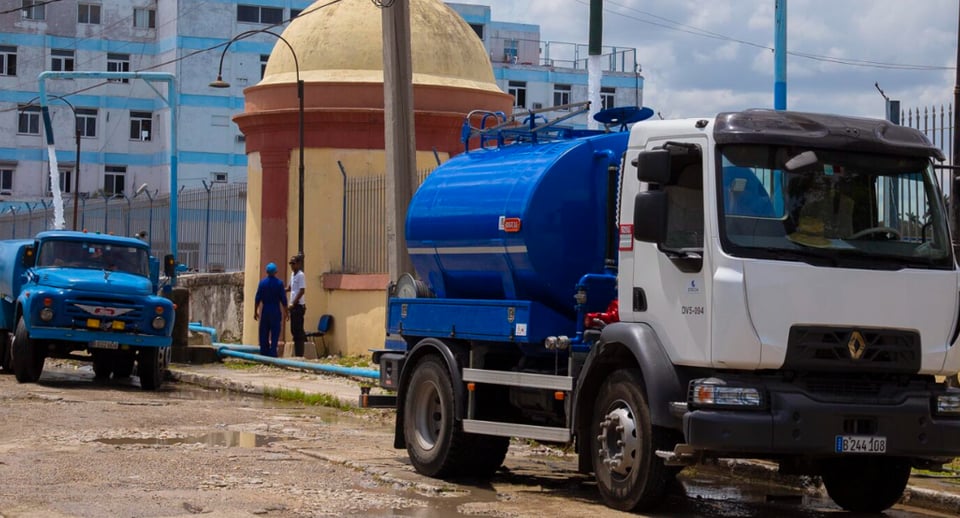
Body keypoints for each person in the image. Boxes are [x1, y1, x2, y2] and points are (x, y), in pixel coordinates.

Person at [254, 262, 287, 357]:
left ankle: (264, 352)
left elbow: (257, 298)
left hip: (265, 309)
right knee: (275, 331)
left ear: (267, 271)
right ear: (276, 272)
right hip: (275, 309)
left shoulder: (262, 283)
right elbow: (283, 299)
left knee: (264, 331)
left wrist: (255, 311)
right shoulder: (279, 283)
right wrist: (286, 311)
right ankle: (273, 352)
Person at [287, 255, 307, 357]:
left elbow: (301, 291)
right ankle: (297, 351)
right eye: (291, 263)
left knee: (298, 330)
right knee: (293, 329)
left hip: (298, 306)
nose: (292, 265)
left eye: (294, 263)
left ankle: (300, 353)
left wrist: (293, 303)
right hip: (293, 307)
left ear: (299, 264)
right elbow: (290, 288)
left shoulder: (300, 275)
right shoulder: (292, 275)